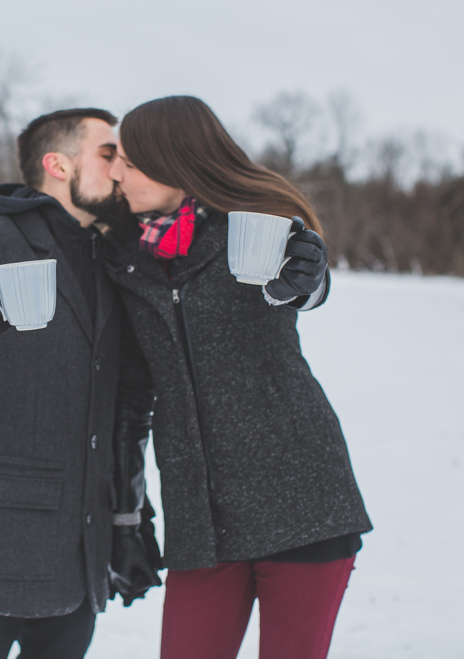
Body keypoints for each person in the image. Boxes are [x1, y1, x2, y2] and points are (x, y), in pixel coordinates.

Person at [100, 96, 373, 659]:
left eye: (130, 160)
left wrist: (308, 277)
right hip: (201, 519)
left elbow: (303, 283)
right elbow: (130, 396)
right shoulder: (121, 254)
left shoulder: (257, 227)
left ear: (175, 160)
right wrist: (126, 514)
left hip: (302, 500)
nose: (115, 173)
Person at [0, 108, 161, 659]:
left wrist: (128, 519)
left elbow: (125, 408)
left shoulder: (111, 257)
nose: (119, 169)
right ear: (58, 165)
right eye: (107, 153)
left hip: (79, 549)